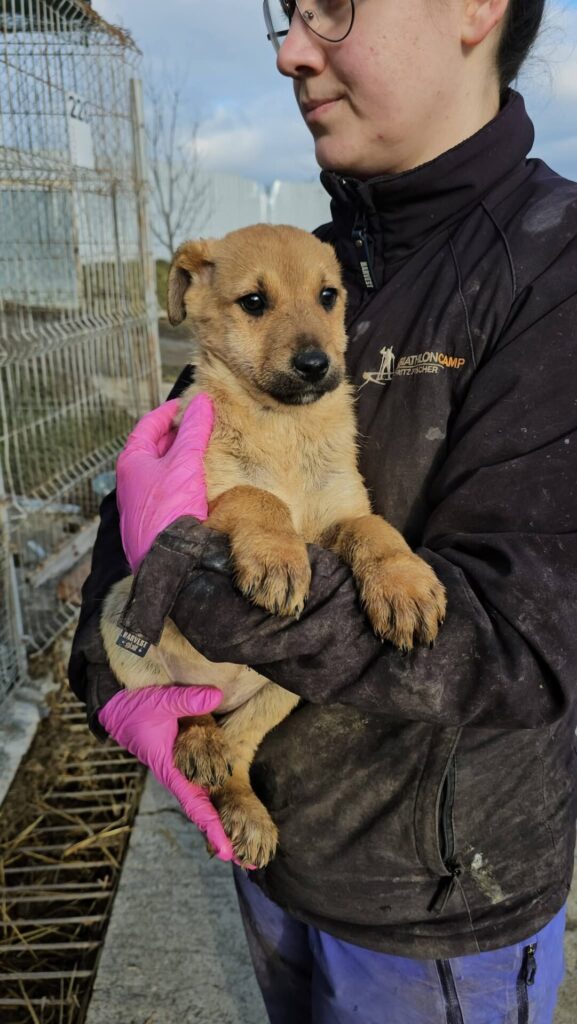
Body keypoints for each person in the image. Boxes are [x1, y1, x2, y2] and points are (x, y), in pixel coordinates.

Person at [69, 1, 577, 1020]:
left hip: (431, 919)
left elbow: (527, 643)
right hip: (268, 853)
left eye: (335, 5)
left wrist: (214, 578)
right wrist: (106, 668)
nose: (293, 49)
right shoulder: (316, 254)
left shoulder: (550, 271)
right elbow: (139, 537)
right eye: (288, 13)